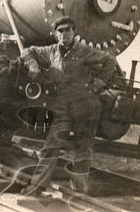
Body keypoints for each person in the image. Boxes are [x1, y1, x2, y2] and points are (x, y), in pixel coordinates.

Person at [20, 16, 116, 195]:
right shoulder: (51, 51)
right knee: (51, 145)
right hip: (62, 105)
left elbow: (110, 60)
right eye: (60, 31)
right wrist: (33, 66)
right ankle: (36, 187)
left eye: (68, 30)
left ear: (74, 32)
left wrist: (99, 83)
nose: (64, 34)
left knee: (82, 148)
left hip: (85, 105)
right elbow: (27, 51)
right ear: (56, 34)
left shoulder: (84, 50)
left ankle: (80, 191)